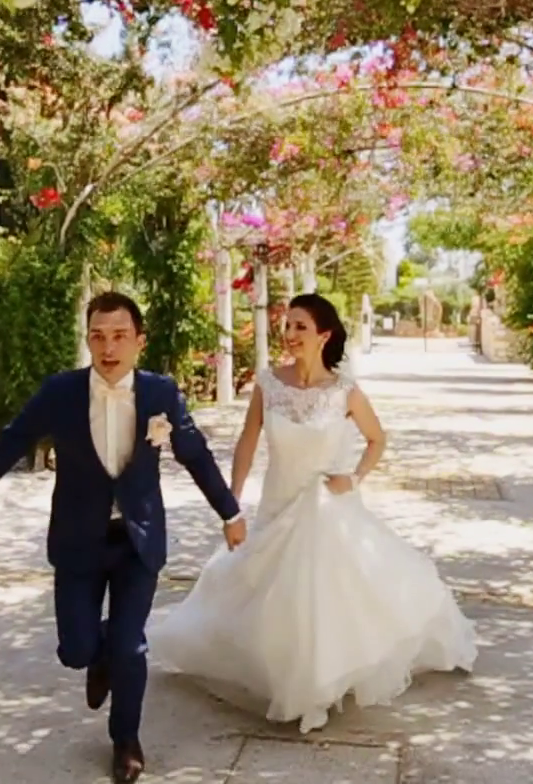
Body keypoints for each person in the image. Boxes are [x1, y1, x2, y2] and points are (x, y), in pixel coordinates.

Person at [0, 292, 246, 784]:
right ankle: (99, 655)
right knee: (75, 649)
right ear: (88, 340)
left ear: (139, 341)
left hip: (138, 540)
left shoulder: (160, 393)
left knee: (131, 646)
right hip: (78, 540)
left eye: (119, 336)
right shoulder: (61, 393)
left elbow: (195, 455)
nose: (108, 348)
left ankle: (126, 740)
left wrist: (230, 513)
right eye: (98, 336)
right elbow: (5, 449)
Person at [148, 292, 477, 733]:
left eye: (300, 326)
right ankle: (281, 675)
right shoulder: (268, 384)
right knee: (265, 592)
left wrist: (354, 478)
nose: (290, 334)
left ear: (324, 335)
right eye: (287, 325)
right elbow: (247, 442)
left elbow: (378, 439)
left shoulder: (345, 391)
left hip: (328, 510)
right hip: (277, 503)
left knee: (320, 597)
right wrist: (232, 505)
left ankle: (316, 688)